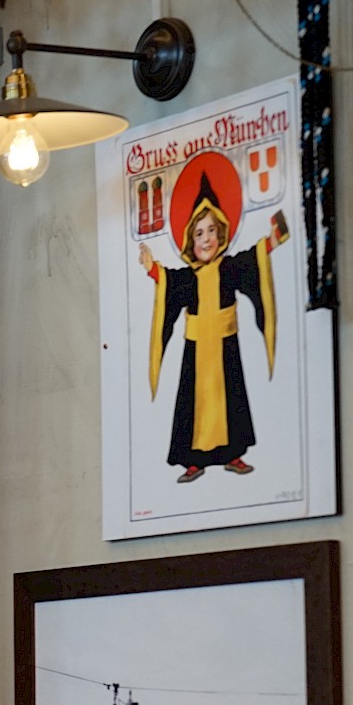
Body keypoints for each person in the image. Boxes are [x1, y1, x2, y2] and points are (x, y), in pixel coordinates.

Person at [137, 149, 290, 482]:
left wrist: (273, 239)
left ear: (221, 233)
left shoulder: (230, 268)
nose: (206, 239)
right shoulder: (188, 277)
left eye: (211, 231)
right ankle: (194, 461)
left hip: (225, 344)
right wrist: (151, 267)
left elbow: (253, 259)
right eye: (199, 233)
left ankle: (233, 455)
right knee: (192, 403)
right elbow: (169, 282)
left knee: (231, 397)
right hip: (196, 349)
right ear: (189, 240)